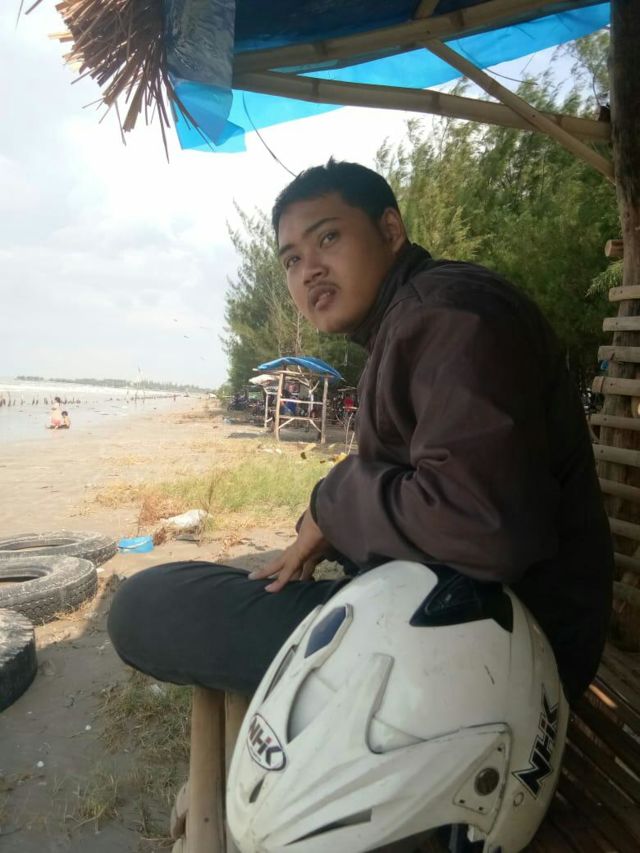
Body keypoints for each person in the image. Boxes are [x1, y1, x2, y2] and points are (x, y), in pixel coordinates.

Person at [108, 160, 612, 705]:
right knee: (235, 586)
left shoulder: (449, 317)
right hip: (472, 618)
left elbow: (481, 527)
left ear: (390, 231)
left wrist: (333, 502)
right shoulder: (410, 320)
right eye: (292, 259)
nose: (309, 270)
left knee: (147, 605)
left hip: (504, 652)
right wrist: (328, 522)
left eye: (328, 237)